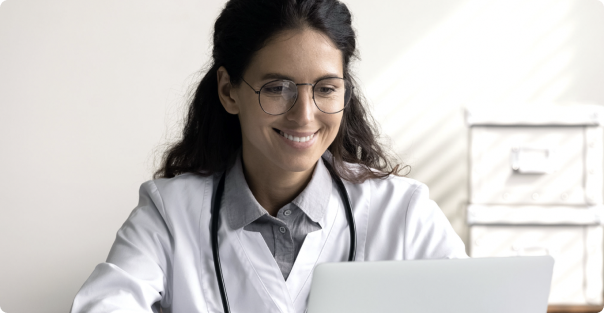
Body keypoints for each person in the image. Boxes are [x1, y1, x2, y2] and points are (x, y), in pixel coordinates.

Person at [70, 0, 467, 312]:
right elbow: (105, 304)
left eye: (326, 89)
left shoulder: (403, 211)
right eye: (277, 88)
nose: (304, 115)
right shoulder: (169, 213)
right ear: (229, 91)